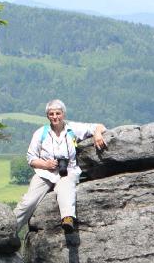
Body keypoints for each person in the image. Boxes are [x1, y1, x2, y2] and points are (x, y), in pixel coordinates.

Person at [14, 99, 107, 234]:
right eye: (51, 114)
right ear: (47, 116)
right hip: (44, 173)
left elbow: (99, 126)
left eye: (58, 113)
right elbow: (31, 158)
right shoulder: (41, 133)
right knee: (28, 202)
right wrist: (45, 164)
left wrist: (97, 134)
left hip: (67, 171)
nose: (55, 117)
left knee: (66, 189)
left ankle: (67, 219)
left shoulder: (72, 129)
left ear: (63, 114)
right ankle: (9, 231)